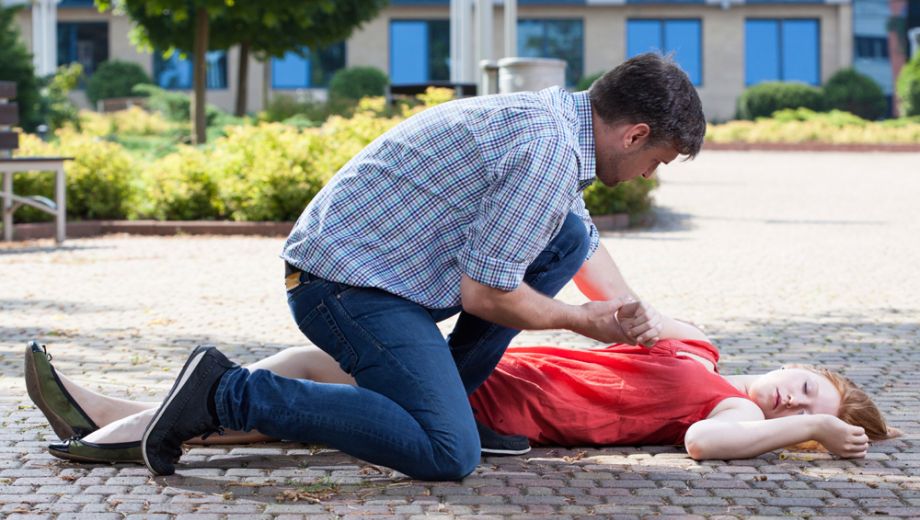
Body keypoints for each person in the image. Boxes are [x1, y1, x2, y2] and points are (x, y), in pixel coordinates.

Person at [78, 53, 708, 480]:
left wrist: (631, 314)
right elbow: (486, 295)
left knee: (565, 238)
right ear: (634, 134)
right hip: (341, 286)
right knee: (447, 454)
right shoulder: (545, 151)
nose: (646, 176)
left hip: (380, 280)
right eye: (656, 161)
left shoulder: (555, 125)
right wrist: (580, 320)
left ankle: (449, 399)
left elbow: (578, 242)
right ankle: (227, 392)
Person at [26, 305, 897, 465]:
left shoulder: (727, 405)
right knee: (295, 373)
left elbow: (708, 444)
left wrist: (809, 433)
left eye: (807, 409)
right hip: (479, 366)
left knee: (297, 388)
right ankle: (118, 421)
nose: (791, 398)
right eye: (805, 387)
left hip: (484, 405)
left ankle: (111, 425)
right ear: (799, 364)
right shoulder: (699, 346)